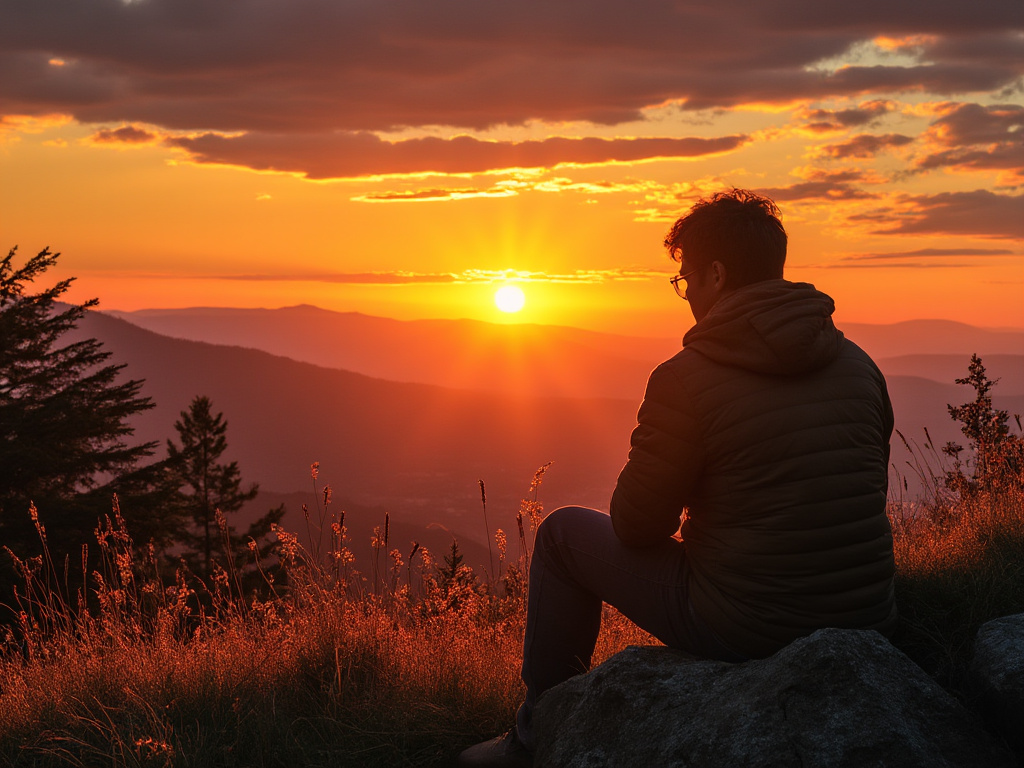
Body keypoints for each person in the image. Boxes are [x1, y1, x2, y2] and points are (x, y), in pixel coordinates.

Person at [457, 189, 897, 768]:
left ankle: (534, 735)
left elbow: (638, 527)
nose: (684, 293)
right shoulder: (859, 363)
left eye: (685, 277)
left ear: (716, 274)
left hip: (748, 624)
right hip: (868, 614)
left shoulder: (686, 379)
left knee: (562, 534)